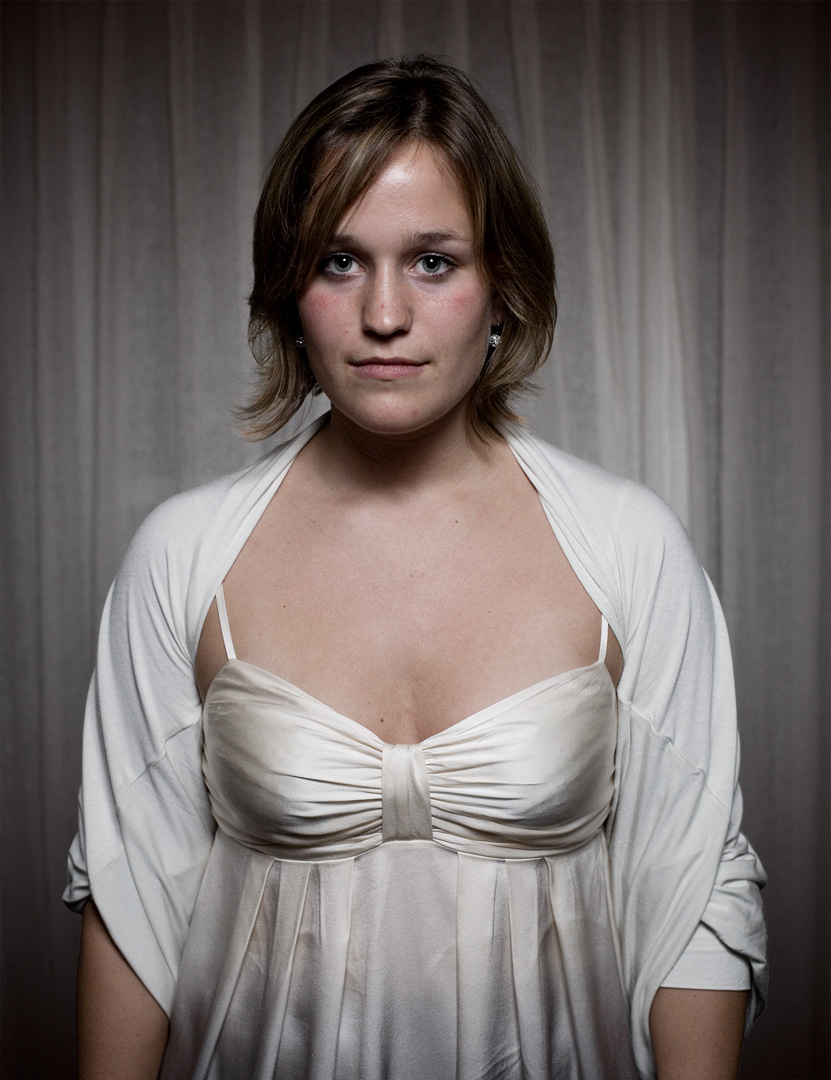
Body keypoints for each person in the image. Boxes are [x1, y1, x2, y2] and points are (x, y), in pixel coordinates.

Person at [66, 55, 767, 1080]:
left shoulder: (629, 544)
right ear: (289, 291)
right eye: (339, 261)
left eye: (432, 261)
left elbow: (697, 885)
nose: (384, 313)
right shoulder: (183, 554)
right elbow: (132, 898)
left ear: (502, 286)